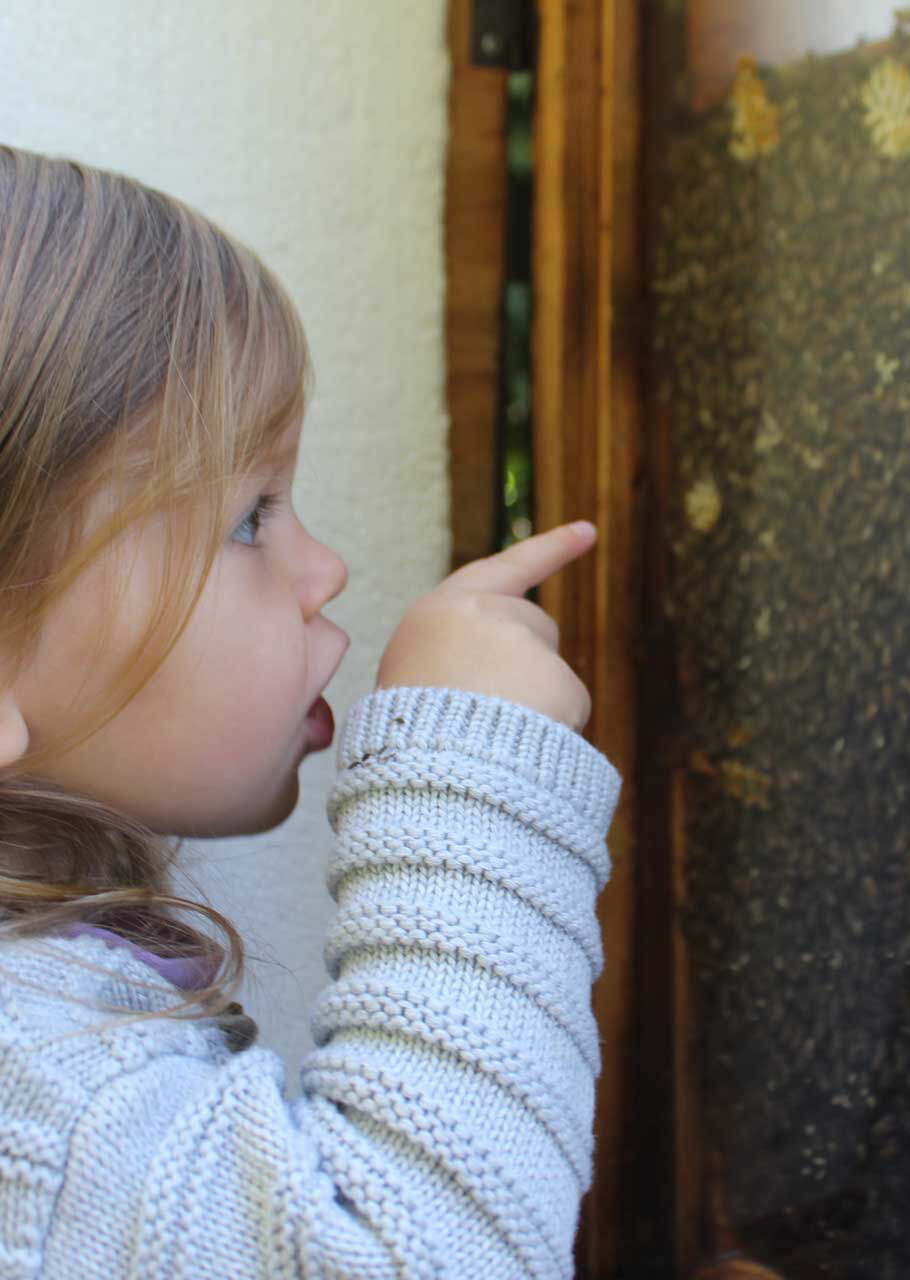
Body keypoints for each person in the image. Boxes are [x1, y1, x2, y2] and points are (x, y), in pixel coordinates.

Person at [0, 144, 620, 1279]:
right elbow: (417, 1253)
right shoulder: (27, 1079)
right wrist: (472, 782)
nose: (323, 568)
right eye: (250, 517)